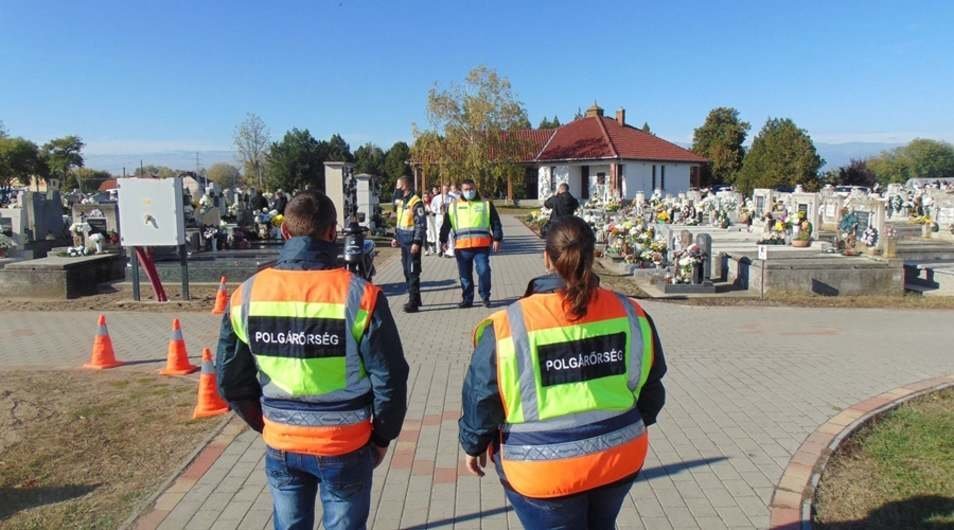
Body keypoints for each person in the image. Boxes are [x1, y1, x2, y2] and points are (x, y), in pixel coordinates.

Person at [216, 191, 409, 530]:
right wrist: (382, 438)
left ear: (284, 232)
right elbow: (390, 378)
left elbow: (230, 380)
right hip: (345, 443)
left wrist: (266, 424)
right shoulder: (361, 296)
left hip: (282, 441)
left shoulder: (246, 294)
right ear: (333, 233)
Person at [458, 216, 667, 530]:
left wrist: (473, 444)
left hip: (542, 473)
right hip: (619, 458)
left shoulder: (507, 326)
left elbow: (483, 397)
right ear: (592, 255)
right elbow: (652, 389)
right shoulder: (631, 313)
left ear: (547, 258)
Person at [439, 179, 503, 308]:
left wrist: (497, 239)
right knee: (465, 275)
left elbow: (495, 222)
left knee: (484, 271)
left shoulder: (485, 204)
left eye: (471, 189)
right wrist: (443, 240)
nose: (469, 191)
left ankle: (485, 296)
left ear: (475, 188)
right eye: (466, 189)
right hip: (462, 247)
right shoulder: (454, 206)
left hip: (481, 246)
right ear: (461, 190)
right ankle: (467, 299)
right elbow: (446, 224)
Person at [390, 176, 427, 312]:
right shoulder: (402, 202)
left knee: (412, 272)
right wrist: (396, 237)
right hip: (403, 242)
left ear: (404, 186)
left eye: (398, 186)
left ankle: (413, 303)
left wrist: (417, 242)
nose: (396, 188)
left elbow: (421, 224)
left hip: (412, 243)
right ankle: (416, 298)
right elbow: (400, 221)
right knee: (407, 271)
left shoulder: (416, 202)